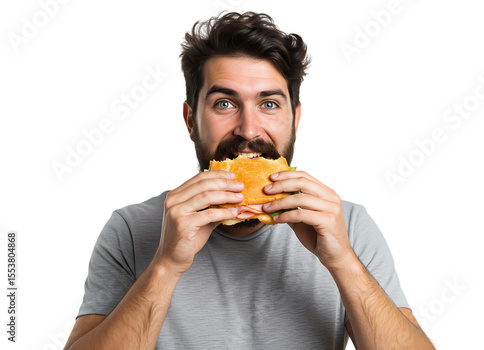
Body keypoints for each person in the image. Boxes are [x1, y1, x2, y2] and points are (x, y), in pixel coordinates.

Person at [64, 11, 435, 349]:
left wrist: (342, 261)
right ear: (191, 120)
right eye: (225, 103)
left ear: (295, 118)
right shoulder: (132, 228)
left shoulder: (346, 224)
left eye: (269, 104)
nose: (249, 129)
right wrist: (165, 266)